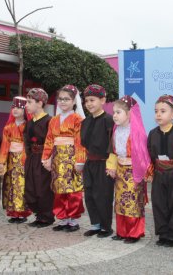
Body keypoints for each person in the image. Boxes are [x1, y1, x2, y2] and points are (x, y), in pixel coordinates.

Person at [106, 95, 150, 244]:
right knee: (119, 201)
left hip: (133, 171)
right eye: (114, 112)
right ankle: (121, 231)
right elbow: (112, 151)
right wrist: (111, 166)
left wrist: (141, 172)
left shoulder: (137, 133)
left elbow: (143, 155)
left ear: (130, 113)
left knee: (132, 202)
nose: (115, 116)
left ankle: (134, 232)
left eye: (118, 112)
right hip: (120, 171)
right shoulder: (116, 131)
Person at [42, 85, 86, 232]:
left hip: (71, 156)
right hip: (57, 157)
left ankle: (72, 220)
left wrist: (80, 161)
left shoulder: (78, 119)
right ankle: (62, 218)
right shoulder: (54, 120)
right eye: (60, 99)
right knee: (59, 188)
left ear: (74, 101)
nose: (62, 102)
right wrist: (46, 158)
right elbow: (49, 140)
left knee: (73, 189)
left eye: (66, 99)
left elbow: (80, 141)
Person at [146, 94, 173, 247]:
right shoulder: (152, 133)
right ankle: (163, 233)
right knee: (159, 203)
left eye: (163, 111)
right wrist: (150, 172)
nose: (158, 114)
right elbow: (149, 156)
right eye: (156, 111)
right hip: (159, 174)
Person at [80, 84, 115, 238]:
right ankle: (95, 225)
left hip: (104, 163)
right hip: (90, 163)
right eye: (86, 101)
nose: (89, 104)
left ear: (103, 100)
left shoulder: (109, 120)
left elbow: (113, 143)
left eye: (92, 100)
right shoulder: (85, 121)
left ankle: (106, 227)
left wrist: (111, 165)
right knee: (89, 195)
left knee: (103, 195)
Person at [24, 88, 55, 227]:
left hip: (44, 158)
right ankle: (38, 214)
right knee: (31, 187)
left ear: (40, 103)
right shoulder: (29, 122)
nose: (26, 105)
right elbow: (27, 142)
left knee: (43, 187)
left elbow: (52, 141)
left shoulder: (50, 121)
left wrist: (48, 158)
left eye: (29, 102)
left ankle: (46, 216)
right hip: (32, 158)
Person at [0, 96, 32, 223]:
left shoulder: (28, 126)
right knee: (10, 184)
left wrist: (25, 159)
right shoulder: (8, 127)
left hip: (23, 158)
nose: (15, 110)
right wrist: (1, 162)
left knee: (21, 185)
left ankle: (22, 212)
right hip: (11, 158)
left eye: (19, 107)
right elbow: (4, 145)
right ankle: (12, 212)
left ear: (25, 110)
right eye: (14, 107)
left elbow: (28, 145)